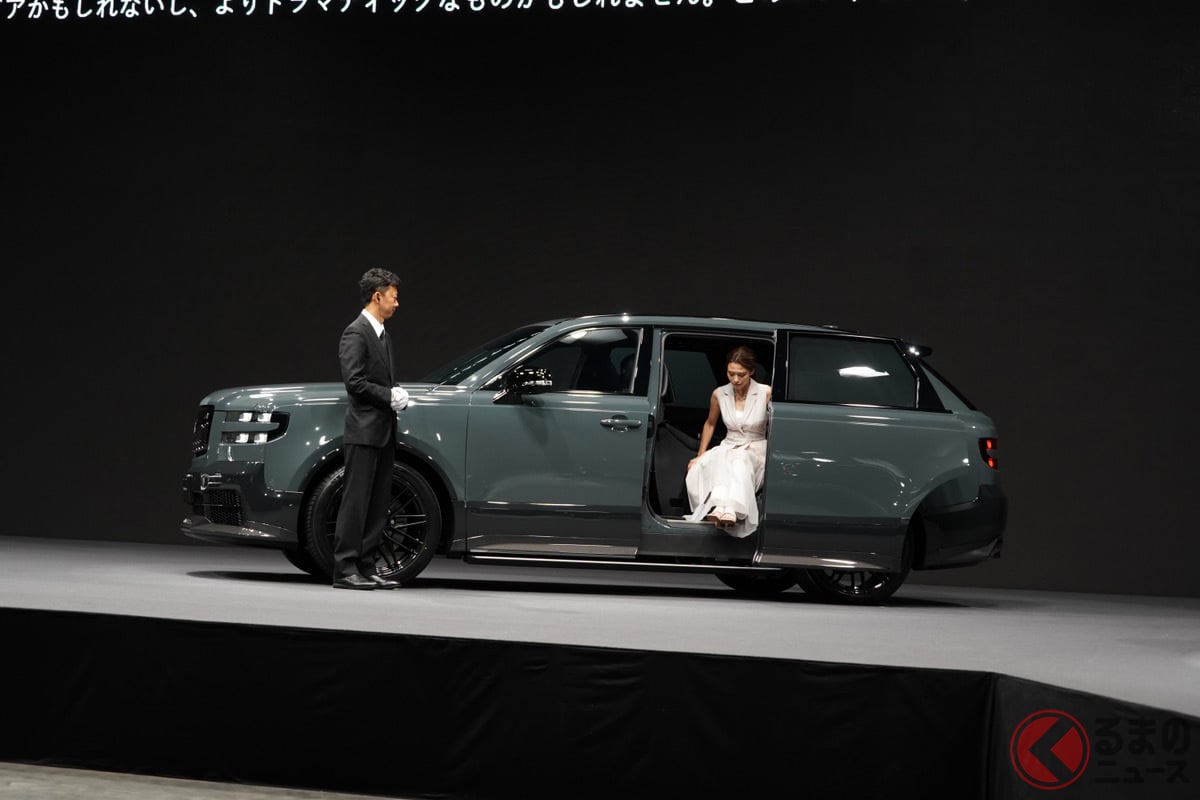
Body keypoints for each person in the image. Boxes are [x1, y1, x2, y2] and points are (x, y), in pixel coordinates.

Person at [331, 268, 410, 590]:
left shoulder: (383, 335)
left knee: (378, 504)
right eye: (393, 297)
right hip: (363, 431)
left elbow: (379, 380)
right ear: (377, 296)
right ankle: (345, 569)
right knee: (356, 502)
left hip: (383, 430)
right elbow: (355, 383)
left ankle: (366, 566)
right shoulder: (356, 332)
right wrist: (389, 395)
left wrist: (396, 393)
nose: (397, 303)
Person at [685, 345, 771, 538]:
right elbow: (710, 423)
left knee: (740, 460)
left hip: (755, 448)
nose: (735, 379)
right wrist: (700, 455)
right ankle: (721, 508)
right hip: (729, 445)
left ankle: (730, 508)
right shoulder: (719, 393)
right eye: (731, 374)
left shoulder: (765, 393)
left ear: (751, 372)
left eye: (741, 375)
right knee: (711, 462)